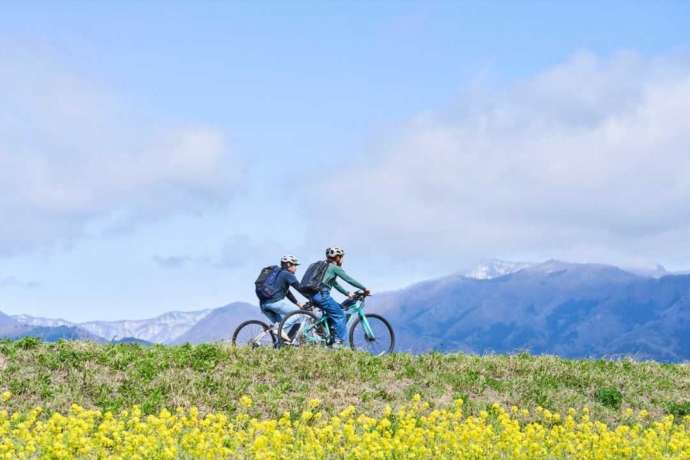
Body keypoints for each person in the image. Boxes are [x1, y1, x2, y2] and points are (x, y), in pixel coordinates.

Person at [312, 247, 370, 347]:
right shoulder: (335, 268)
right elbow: (348, 279)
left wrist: (347, 293)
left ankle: (323, 330)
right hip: (323, 295)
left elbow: (334, 283)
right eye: (342, 257)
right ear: (337, 258)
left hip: (314, 295)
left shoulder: (326, 267)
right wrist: (364, 288)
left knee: (340, 308)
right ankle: (338, 342)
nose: (342, 260)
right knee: (340, 315)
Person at [259, 255, 306, 338]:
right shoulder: (287, 274)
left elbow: (288, 293)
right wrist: (313, 298)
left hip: (264, 305)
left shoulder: (278, 274)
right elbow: (300, 288)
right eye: (294, 265)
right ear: (288, 264)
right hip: (275, 303)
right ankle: (278, 329)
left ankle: (278, 346)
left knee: (280, 331)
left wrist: (298, 304)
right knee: (299, 313)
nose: (296, 268)